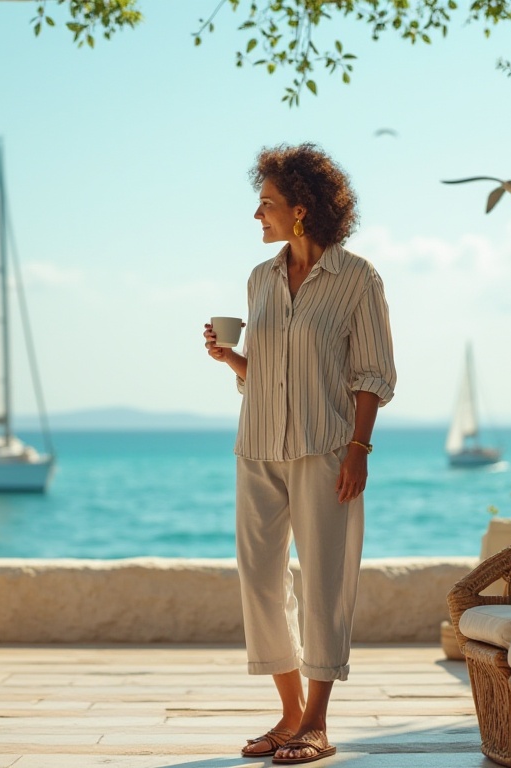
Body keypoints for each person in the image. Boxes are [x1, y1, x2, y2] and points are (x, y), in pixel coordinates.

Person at [203, 143, 396, 764]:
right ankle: (288, 712)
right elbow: (268, 370)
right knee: (259, 582)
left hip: (326, 447)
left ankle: (316, 720)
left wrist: (359, 448)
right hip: (258, 444)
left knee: (323, 584)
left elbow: (372, 373)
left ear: (302, 210)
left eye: (266, 205)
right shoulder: (259, 278)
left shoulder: (357, 279)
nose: (256, 216)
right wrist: (231, 359)